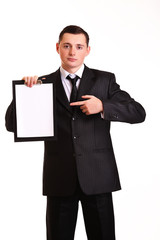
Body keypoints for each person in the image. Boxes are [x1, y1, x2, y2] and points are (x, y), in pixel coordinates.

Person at [5, 25, 146, 240]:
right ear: (57, 48)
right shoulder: (42, 84)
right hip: (59, 180)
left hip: (98, 177)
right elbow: (11, 124)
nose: (73, 52)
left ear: (87, 50)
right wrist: (23, 95)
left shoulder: (104, 81)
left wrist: (104, 107)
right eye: (67, 46)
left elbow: (138, 112)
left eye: (79, 47)